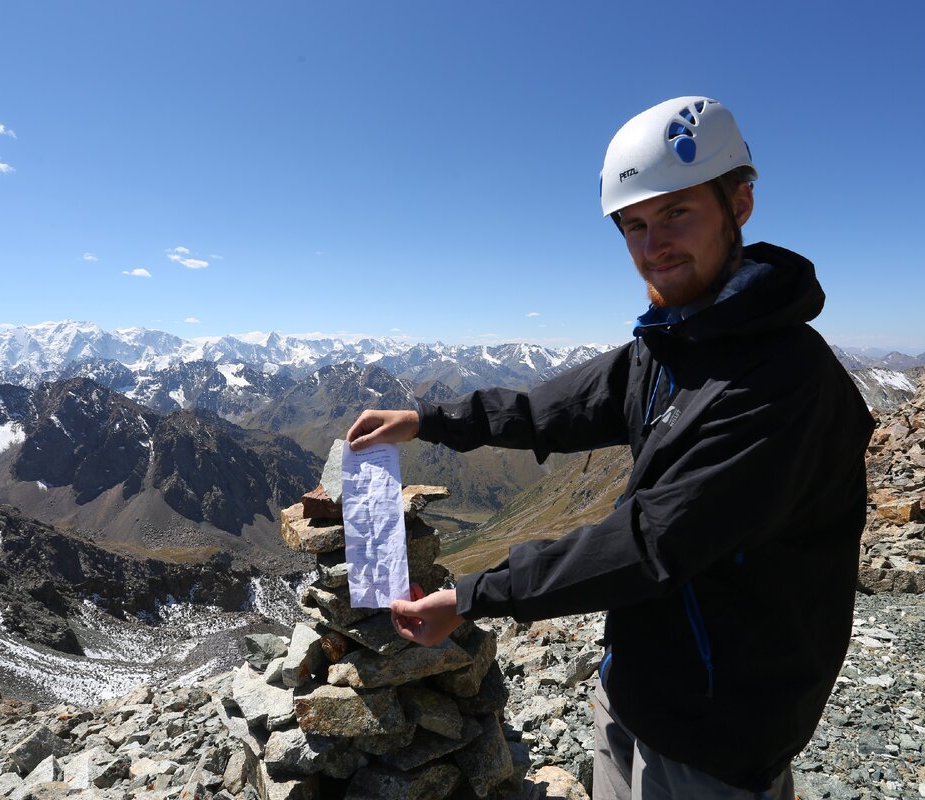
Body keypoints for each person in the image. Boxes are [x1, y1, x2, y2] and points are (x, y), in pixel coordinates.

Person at [346, 96, 874, 800]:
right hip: (635, 683)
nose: (654, 245)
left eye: (677, 213)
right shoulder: (671, 343)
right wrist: (426, 420)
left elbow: (650, 543)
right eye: (633, 225)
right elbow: (547, 411)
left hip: (721, 726)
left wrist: (471, 596)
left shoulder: (782, 381)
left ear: (738, 204)